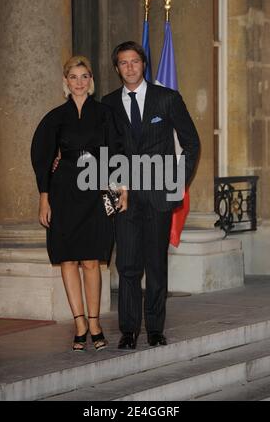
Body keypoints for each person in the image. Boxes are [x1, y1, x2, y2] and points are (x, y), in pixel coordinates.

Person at [101, 41, 200, 349]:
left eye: (135, 61)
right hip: (125, 197)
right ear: (117, 68)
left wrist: (176, 183)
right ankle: (129, 330)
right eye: (123, 63)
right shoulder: (108, 104)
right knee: (128, 265)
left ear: (144, 65)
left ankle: (155, 329)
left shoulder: (167, 98)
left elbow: (191, 144)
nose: (130, 67)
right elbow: (105, 150)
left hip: (159, 195)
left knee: (156, 264)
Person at [31, 56, 127, 352]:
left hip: (95, 189)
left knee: (91, 260)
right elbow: (42, 157)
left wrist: (122, 188)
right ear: (66, 82)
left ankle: (95, 322)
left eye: (85, 76)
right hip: (63, 192)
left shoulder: (105, 113)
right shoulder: (55, 117)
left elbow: (117, 150)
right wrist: (44, 197)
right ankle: (80, 324)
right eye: (74, 77)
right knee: (69, 259)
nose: (79, 82)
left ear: (91, 81)